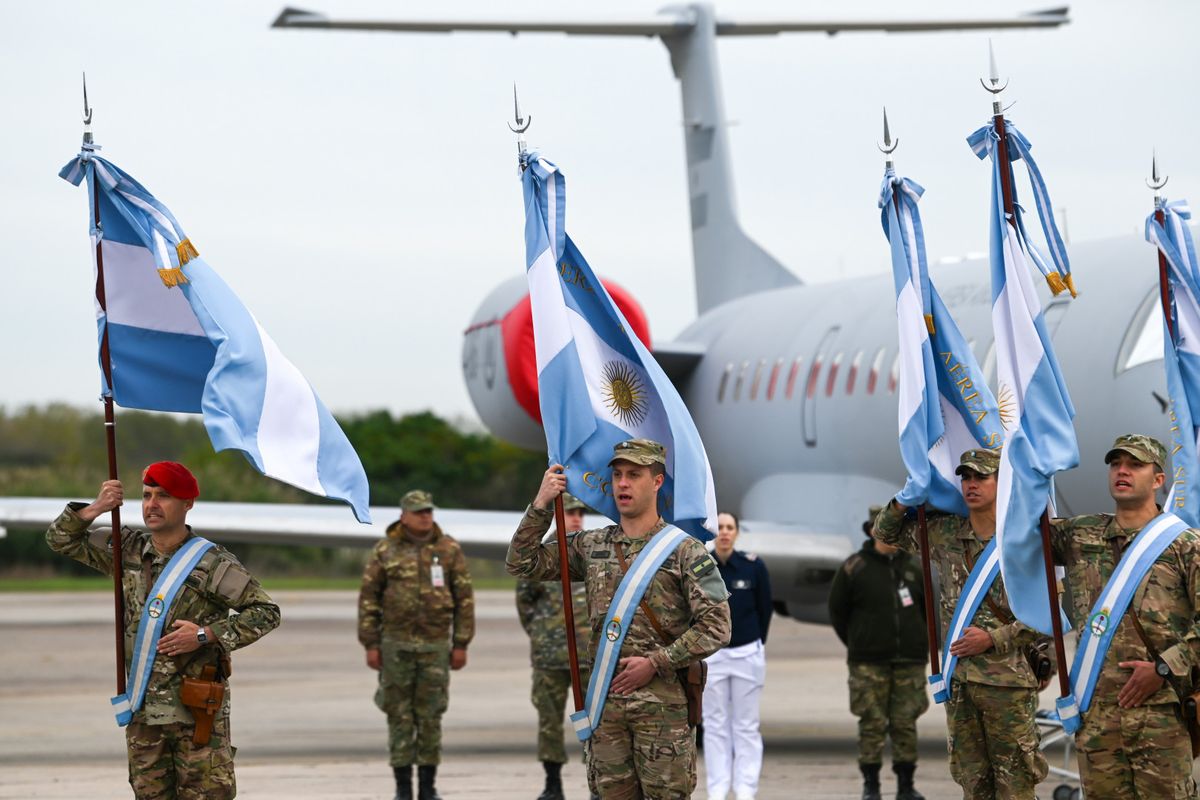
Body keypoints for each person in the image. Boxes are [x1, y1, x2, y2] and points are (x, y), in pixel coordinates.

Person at [506, 438, 732, 799]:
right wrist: (542, 504)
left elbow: (717, 627)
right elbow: (522, 562)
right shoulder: (591, 545)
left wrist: (656, 662)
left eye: (634, 475)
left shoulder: (683, 551)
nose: (623, 484)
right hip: (606, 708)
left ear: (657, 481)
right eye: (618, 475)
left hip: (663, 713)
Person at [45, 462, 281, 799]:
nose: (152, 504)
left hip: (196, 716)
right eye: (146, 495)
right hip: (143, 714)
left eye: (164, 496)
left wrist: (205, 634)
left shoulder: (213, 563)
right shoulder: (127, 550)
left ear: (187, 505)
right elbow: (60, 540)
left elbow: (266, 612)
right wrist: (97, 507)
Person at [873, 448, 1049, 800]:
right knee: (972, 781)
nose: (971, 484)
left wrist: (994, 638)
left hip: (1007, 682)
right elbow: (885, 534)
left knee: (1015, 783)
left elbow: (1050, 609)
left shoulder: (1024, 537)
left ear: (1002, 483)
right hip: (961, 681)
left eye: (981, 477)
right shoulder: (946, 533)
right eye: (966, 477)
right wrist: (902, 501)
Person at [1048, 434, 1200, 798]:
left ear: (1158, 479)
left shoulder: (1184, 545)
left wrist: (1164, 668)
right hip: (1097, 716)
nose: (1122, 471)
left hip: (1160, 715)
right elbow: (1016, 534)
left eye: (1135, 464)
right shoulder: (1079, 534)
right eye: (1116, 464)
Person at [359, 490, 475, 800]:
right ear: (404, 516)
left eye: (428, 510)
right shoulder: (386, 550)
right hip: (395, 646)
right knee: (398, 715)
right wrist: (371, 643)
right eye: (418, 511)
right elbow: (369, 598)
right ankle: (402, 788)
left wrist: (461, 643)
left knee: (430, 715)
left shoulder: (448, 549)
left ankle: (427, 787)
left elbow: (464, 599)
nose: (425, 516)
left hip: (435, 646)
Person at [829, 506, 929, 800]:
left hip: (909, 661)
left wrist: (918, 643)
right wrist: (859, 642)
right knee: (871, 723)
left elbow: (927, 612)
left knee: (905, 724)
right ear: (872, 530)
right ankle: (871, 785)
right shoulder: (854, 567)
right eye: (882, 526)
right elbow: (838, 612)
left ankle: (906, 786)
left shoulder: (914, 567)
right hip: (867, 663)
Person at [515, 492, 594, 800]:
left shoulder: (592, 552)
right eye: (569, 512)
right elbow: (525, 602)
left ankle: (596, 785)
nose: (575, 517)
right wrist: (541, 633)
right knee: (549, 721)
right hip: (550, 656)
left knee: (594, 725)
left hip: (588, 656)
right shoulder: (541, 554)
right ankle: (553, 784)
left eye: (579, 513)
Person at [702, 511, 772, 800]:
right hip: (713, 655)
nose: (725, 532)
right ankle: (717, 790)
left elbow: (764, 609)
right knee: (715, 725)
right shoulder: (702, 567)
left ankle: (745, 790)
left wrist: (755, 643)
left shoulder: (753, 567)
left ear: (737, 532)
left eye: (730, 527)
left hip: (746, 653)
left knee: (746, 726)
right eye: (720, 527)